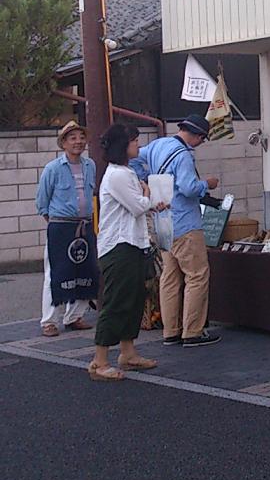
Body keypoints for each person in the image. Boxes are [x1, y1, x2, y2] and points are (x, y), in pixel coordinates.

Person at [89, 124, 169, 381]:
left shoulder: (125, 172)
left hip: (132, 243)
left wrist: (148, 201)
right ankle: (99, 361)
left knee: (134, 298)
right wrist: (148, 195)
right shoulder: (118, 175)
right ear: (122, 146)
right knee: (117, 300)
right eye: (134, 141)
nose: (138, 145)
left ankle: (128, 352)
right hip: (119, 246)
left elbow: (139, 205)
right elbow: (137, 206)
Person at [133, 114, 220, 348]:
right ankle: (192, 331)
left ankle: (170, 331)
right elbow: (189, 189)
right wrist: (208, 184)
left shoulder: (158, 144)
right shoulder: (183, 156)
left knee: (169, 277)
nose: (201, 143)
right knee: (197, 275)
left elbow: (133, 158)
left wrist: (146, 181)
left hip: (162, 221)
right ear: (198, 136)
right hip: (185, 222)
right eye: (202, 139)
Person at [35, 120, 97, 337]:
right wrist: (54, 220)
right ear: (63, 143)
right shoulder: (52, 168)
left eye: (81, 137)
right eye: (72, 138)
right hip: (61, 225)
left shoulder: (90, 165)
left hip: (84, 224)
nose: (78, 142)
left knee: (84, 271)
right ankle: (49, 321)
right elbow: (42, 201)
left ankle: (74, 316)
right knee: (56, 272)